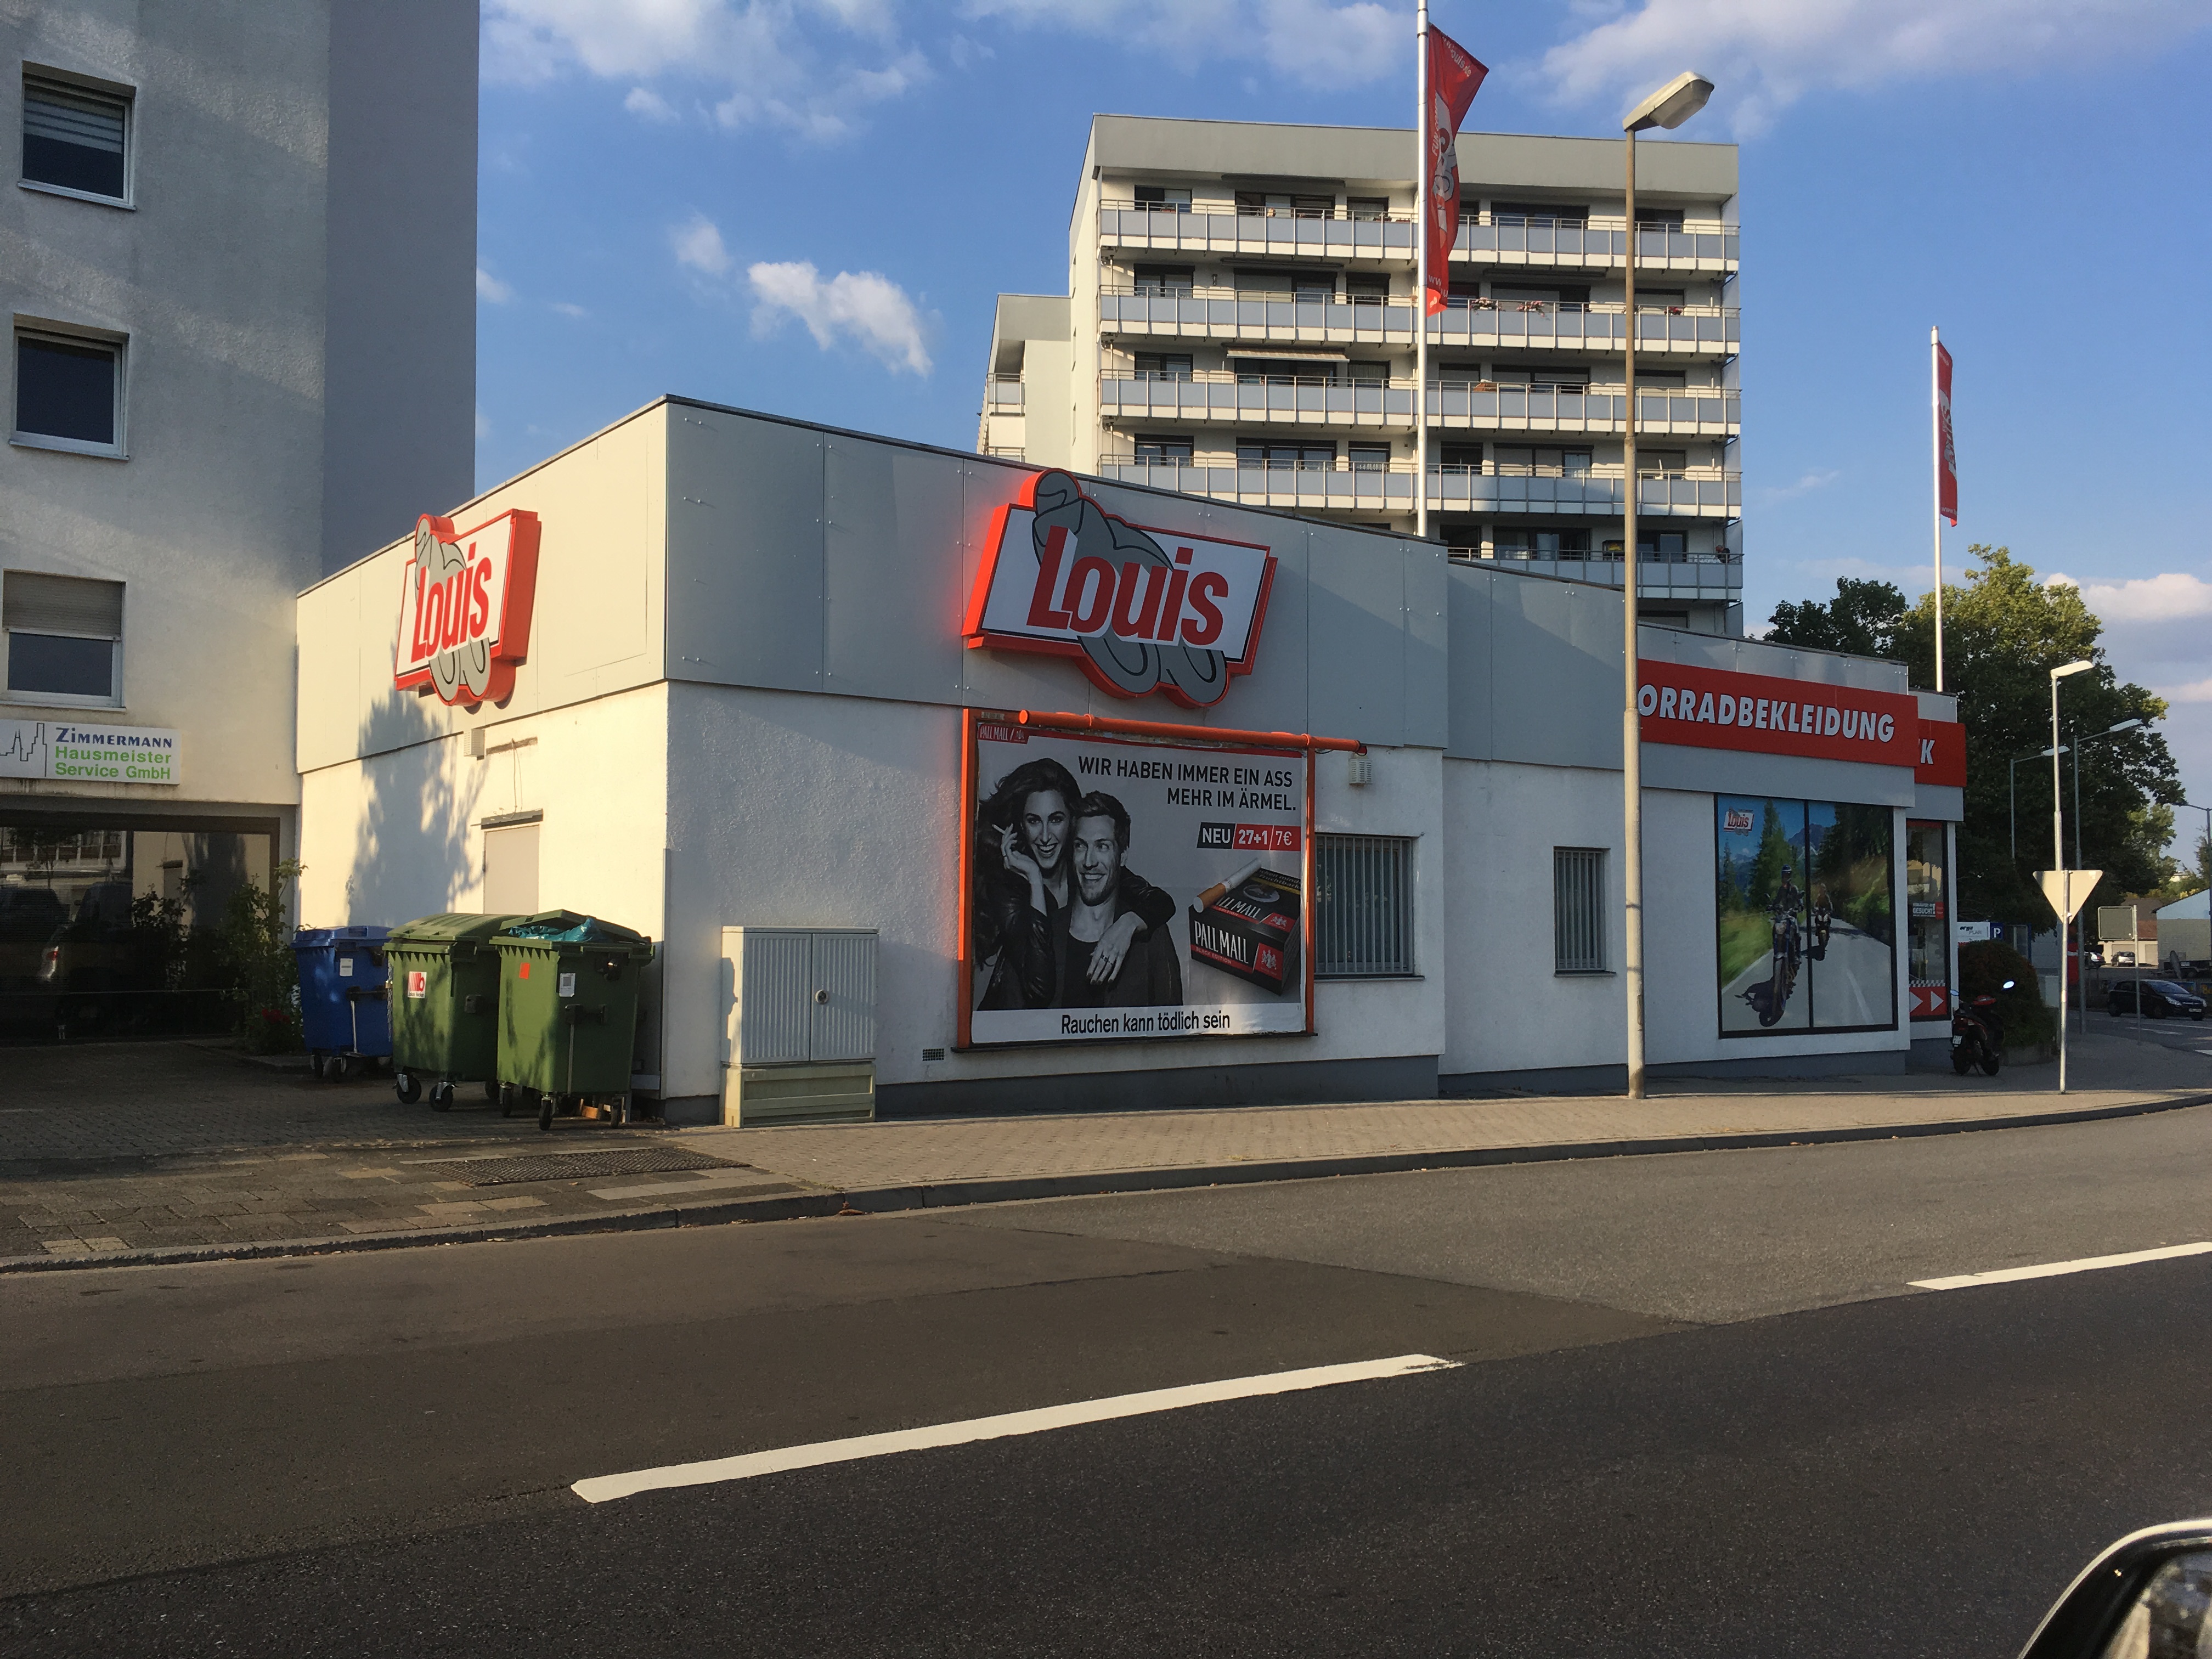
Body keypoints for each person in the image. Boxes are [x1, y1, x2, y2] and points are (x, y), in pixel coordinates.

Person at [972, 759, 1173, 1009]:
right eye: (1034, 821)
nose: (1045, 837)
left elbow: (1160, 902)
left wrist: (1127, 925)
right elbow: (1039, 988)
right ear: (1020, 826)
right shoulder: (1009, 886)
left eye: (1056, 820)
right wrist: (1034, 879)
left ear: (1071, 822)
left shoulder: (1084, 865)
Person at [1050, 793, 1183, 1009]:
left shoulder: (1152, 939)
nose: (1089, 862)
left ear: (1122, 856)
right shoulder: (1046, 933)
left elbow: (1171, 1023)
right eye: (1081, 846)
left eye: (1102, 846)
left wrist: (1128, 924)